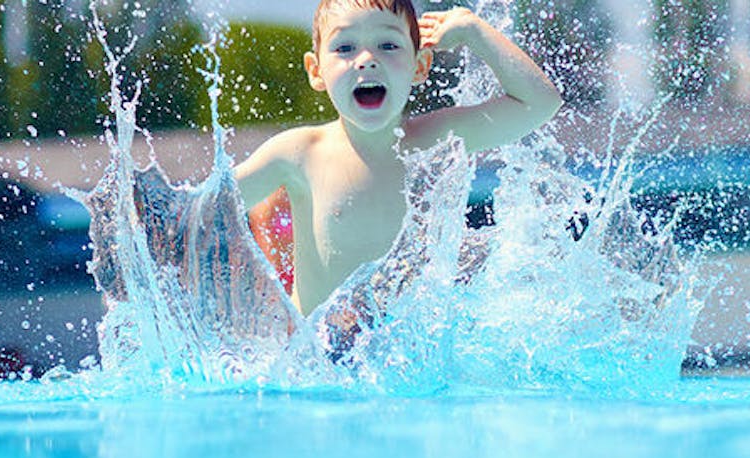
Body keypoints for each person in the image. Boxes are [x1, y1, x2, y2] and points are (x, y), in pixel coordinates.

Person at [233, 0, 563, 316]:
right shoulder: (299, 153)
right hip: (319, 362)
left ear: (419, 66)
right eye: (345, 47)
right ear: (316, 70)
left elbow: (541, 103)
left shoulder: (436, 139)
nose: (366, 59)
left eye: (388, 46)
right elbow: (210, 204)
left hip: (404, 358)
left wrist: (473, 30)